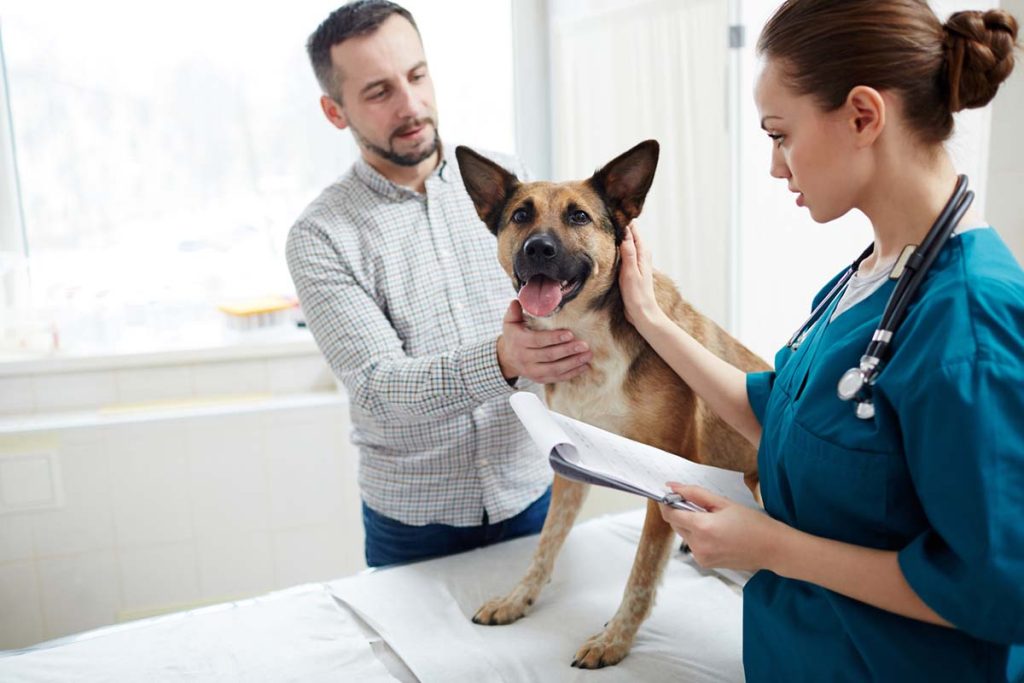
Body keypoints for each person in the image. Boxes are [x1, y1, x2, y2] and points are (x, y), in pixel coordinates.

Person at [617, 1, 1024, 680]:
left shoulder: (969, 324)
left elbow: (996, 588)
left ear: (863, 116)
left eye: (781, 134)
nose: (778, 167)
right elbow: (775, 410)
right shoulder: (867, 278)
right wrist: (652, 320)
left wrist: (774, 546)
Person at [286, 1, 591, 568]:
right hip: (414, 525)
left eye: (417, 76)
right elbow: (377, 389)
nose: (411, 105)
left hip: (530, 489)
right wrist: (502, 359)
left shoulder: (511, 186)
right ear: (335, 111)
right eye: (379, 92)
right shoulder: (320, 235)